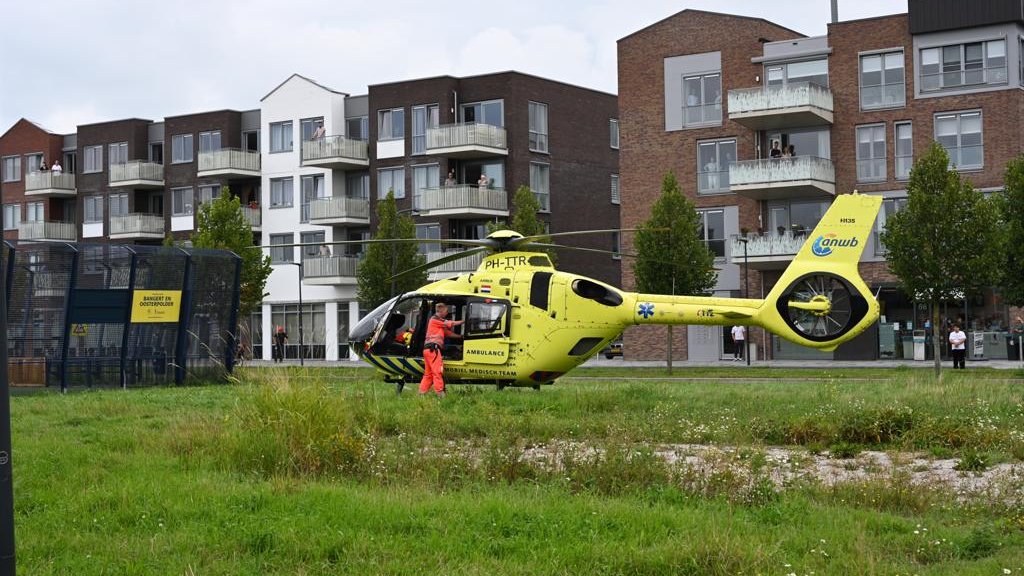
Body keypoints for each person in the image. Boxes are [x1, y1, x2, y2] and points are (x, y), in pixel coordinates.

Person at [419, 302, 464, 397]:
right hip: (433, 349)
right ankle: (440, 393)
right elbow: (450, 324)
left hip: (428, 350)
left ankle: (421, 394)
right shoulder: (435, 319)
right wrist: (463, 321)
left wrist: (460, 336)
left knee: (428, 374)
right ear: (442, 310)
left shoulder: (437, 322)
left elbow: (448, 333)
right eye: (447, 311)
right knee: (437, 371)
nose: (447, 313)